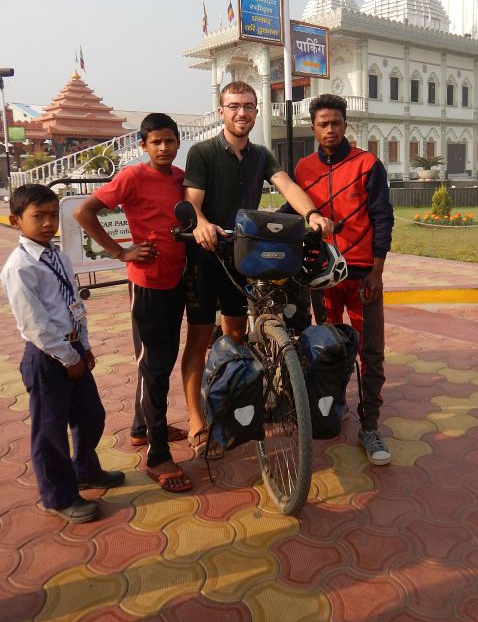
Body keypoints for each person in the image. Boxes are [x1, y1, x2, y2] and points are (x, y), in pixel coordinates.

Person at [181, 80, 333, 457]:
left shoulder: (261, 154)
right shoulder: (203, 152)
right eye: (234, 106)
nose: (241, 113)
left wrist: (313, 214)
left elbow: (287, 185)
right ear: (221, 112)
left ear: (256, 111)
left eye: (248, 106)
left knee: (235, 333)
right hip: (206, 255)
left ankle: (232, 397)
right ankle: (196, 419)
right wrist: (201, 223)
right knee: (199, 338)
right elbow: (192, 201)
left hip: (241, 255)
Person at [74, 113, 191, 493]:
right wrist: (120, 252)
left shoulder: (181, 178)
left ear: (178, 142)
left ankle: (143, 427)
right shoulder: (132, 177)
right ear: (143, 145)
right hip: (147, 284)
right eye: (156, 142)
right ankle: (157, 455)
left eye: (169, 141)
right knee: (154, 365)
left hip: (176, 280)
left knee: (164, 359)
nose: (163, 148)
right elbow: (83, 212)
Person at [1, 184, 125, 523]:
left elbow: (74, 304)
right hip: (47, 357)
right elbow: (35, 325)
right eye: (38, 216)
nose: (47, 223)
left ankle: (85, 469)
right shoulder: (20, 267)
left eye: (53, 215)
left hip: (72, 348)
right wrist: (68, 358)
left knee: (91, 415)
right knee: (50, 431)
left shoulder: (57, 255)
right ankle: (57, 496)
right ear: (16, 221)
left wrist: (84, 345)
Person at [293, 93, 395, 465]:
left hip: (363, 277)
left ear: (346, 124)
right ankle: (333, 406)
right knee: (329, 351)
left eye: (336, 122)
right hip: (324, 279)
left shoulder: (368, 165)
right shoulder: (303, 169)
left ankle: (370, 425)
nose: (330, 129)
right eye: (323, 124)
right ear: (313, 128)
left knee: (371, 352)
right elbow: (293, 212)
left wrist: (377, 272)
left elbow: (383, 219)